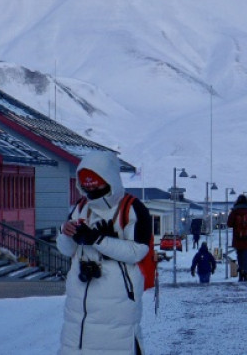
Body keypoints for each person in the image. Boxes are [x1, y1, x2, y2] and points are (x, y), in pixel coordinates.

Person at [58, 151, 151, 354]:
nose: (89, 187)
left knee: (114, 343)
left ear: (109, 178)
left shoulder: (132, 209)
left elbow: (138, 251)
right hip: (79, 298)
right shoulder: (80, 208)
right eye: (85, 182)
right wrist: (66, 234)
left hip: (116, 296)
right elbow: (67, 250)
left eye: (94, 181)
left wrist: (97, 240)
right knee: (76, 343)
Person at [227, 194, 247, 282]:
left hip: (237, 238)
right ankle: (245, 274)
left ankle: (241, 275)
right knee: (246, 256)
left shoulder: (234, 211)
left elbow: (229, 224)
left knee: (240, 255)